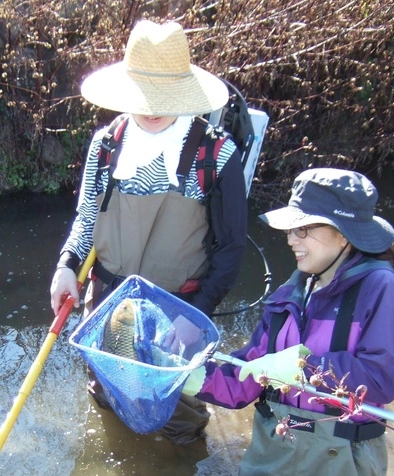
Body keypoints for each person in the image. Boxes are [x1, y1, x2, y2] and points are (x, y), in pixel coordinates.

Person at [182, 167, 394, 476]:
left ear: (344, 235)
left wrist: (307, 366)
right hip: (275, 443)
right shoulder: (293, 289)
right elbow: (255, 368)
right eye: (292, 228)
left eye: (305, 228)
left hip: (340, 457)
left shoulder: (381, 289)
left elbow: (386, 376)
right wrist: (194, 378)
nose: (292, 238)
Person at [50, 20, 248, 445]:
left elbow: (231, 250)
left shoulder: (216, 154)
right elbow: (87, 219)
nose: (153, 107)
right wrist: (67, 266)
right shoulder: (106, 144)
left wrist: (197, 315)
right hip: (106, 299)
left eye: (165, 97)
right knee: (108, 390)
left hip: (176, 306)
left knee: (177, 413)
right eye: (144, 96)